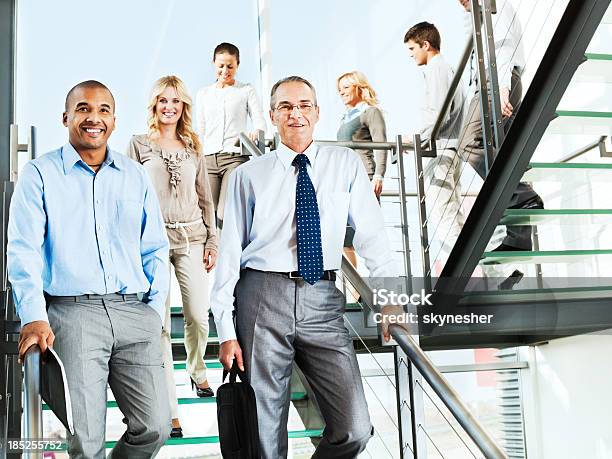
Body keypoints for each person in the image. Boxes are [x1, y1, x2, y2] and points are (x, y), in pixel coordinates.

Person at [211, 75, 397, 458]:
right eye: (286, 106)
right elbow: (229, 253)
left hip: (323, 298)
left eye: (304, 105)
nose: (296, 113)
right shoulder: (248, 175)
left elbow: (373, 236)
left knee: (355, 429)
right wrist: (225, 328)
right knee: (264, 436)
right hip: (262, 296)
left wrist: (389, 299)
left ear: (318, 112)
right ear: (272, 115)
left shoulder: (344, 163)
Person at [8, 80, 170, 458]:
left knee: (156, 428)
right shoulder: (40, 173)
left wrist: (153, 308)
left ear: (113, 120)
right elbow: (23, 250)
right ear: (66, 118)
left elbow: (155, 248)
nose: (93, 117)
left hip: (134, 312)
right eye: (83, 109)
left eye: (102, 110)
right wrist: (33, 315)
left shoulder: (134, 174)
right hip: (73, 314)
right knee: (86, 439)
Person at [127, 75, 218, 439]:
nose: (169, 107)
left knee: (197, 314)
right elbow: (129, 198)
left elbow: (206, 197)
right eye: (163, 101)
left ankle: (196, 371)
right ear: (154, 105)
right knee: (160, 326)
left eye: (175, 102)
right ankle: (169, 409)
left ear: (183, 107)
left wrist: (213, 240)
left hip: (193, 236)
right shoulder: (137, 144)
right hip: (153, 242)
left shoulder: (194, 144)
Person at [457, 0, 543, 252]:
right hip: (498, 82)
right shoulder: (478, 14)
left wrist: (502, 86)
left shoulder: (493, 6)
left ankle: (521, 195)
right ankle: (518, 239)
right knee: (506, 156)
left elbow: (503, 45)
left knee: (469, 144)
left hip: (496, 82)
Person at [403, 21, 467, 267]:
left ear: (425, 45)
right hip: (448, 148)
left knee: (444, 219)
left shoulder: (437, 69)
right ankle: (486, 276)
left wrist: (416, 138)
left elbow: (438, 114)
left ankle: (464, 276)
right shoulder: (448, 69)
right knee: (455, 217)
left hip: (438, 150)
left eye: (412, 49)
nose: (411, 55)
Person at [196, 42, 266, 229]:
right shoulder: (203, 94)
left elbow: (259, 121)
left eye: (230, 66)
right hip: (208, 159)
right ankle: (212, 255)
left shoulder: (245, 90)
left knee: (225, 212)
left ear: (237, 65)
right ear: (213, 63)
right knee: (207, 213)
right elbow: (200, 129)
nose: (225, 70)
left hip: (234, 158)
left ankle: (230, 255)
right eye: (221, 66)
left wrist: (255, 133)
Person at [336, 70, 388, 267]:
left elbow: (381, 143)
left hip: (364, 176)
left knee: (368, 235)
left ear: (359, 87)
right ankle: (356, 292)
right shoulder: (345, 118)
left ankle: (379, 288)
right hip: (344, 181)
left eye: (346, 87)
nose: (342, 92)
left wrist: (379, 175)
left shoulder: (370, 112)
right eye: (339, 90)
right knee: (344, 238)